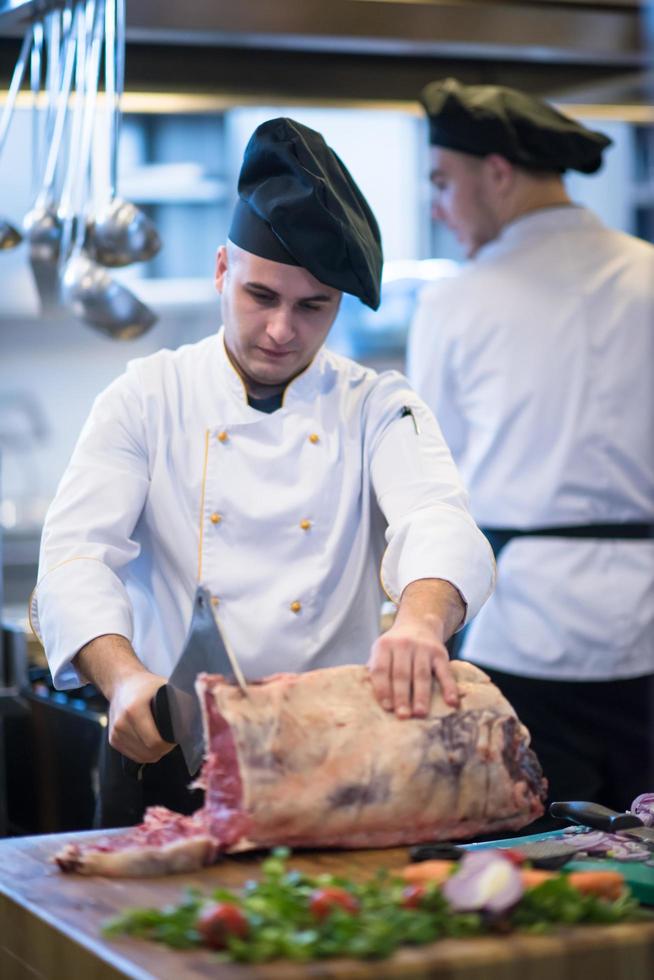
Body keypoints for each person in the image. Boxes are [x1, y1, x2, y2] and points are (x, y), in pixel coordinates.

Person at [32, 117, 494, 828]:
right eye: (261, 297)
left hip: (331, 757)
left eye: (313, 308)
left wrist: (421, 623)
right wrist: (121, 679)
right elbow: (75, 557)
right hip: (163, 746)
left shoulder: (377, 405)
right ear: (223, 270)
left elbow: (437, 518)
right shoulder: (146, 396)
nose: (283, 330)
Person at [408, 78, 654, 821]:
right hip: (648, 627)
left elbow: (431, 485)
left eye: (444, 182)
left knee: (538, 864)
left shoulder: (455, 302)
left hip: (525, 632)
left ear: (500, 174)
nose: (437, 207)